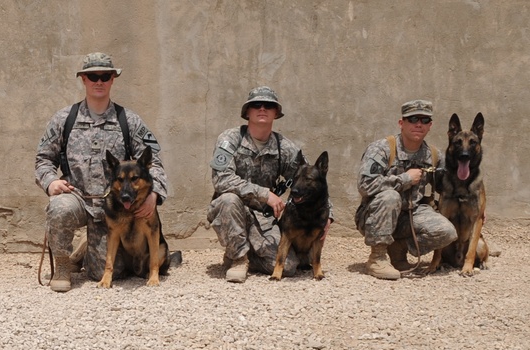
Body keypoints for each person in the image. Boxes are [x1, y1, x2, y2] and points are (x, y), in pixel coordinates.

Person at [34, 52, 177, 292]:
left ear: (112, 79)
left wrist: (155, 195)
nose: (98, 81)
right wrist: (50, 183)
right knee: (59, 207)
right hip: (78, 199)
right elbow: (43, 160)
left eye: (104, 76)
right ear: (84, 80)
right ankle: (62, 266)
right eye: (92, 77)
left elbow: (155, 163)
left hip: (116, 207)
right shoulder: (64, 119)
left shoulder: (128, 121)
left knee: (109, 273)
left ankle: (87, 250)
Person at [207, 86, 326, 283]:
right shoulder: (230, 140)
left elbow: (311, 179)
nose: (262, 108)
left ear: (276, 112)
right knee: (228, 199)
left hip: (263, 218)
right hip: (231, 210)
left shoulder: (285, 148)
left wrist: (327, 214)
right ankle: (238, 259)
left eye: (268, 105)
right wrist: (265, 194)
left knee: (288, 267)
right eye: (256, 105)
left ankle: (245, 253)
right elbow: (221, 179)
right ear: (247, 112)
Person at [355, 100, 457, 280]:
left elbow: (448, 187)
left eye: (425, 120)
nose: (419, 124)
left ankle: (398, 249)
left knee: (447, 232)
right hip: (375, 214)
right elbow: (365, 185)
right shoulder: (382, 149)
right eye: (413, 119)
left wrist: (477, 207)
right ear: (401, 123)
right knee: (390, 197)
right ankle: (377, 258)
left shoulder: (432, 155)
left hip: (411, 213)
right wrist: (405, 179)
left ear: (430, 126)